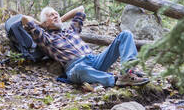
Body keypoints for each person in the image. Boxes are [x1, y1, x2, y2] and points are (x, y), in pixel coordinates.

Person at [21, 5, 149, 87]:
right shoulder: (46, 38)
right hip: (75, 67)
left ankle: (128, 72)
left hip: (95, 59)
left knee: (125, 35)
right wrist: (42, 25)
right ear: (45, 23)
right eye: (51, 15)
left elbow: (80, 9)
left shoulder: (71, 29)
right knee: (79, 68)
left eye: (56, 14)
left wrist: (59, 20)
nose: (55, 15)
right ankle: (115, 80)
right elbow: (25, 19)